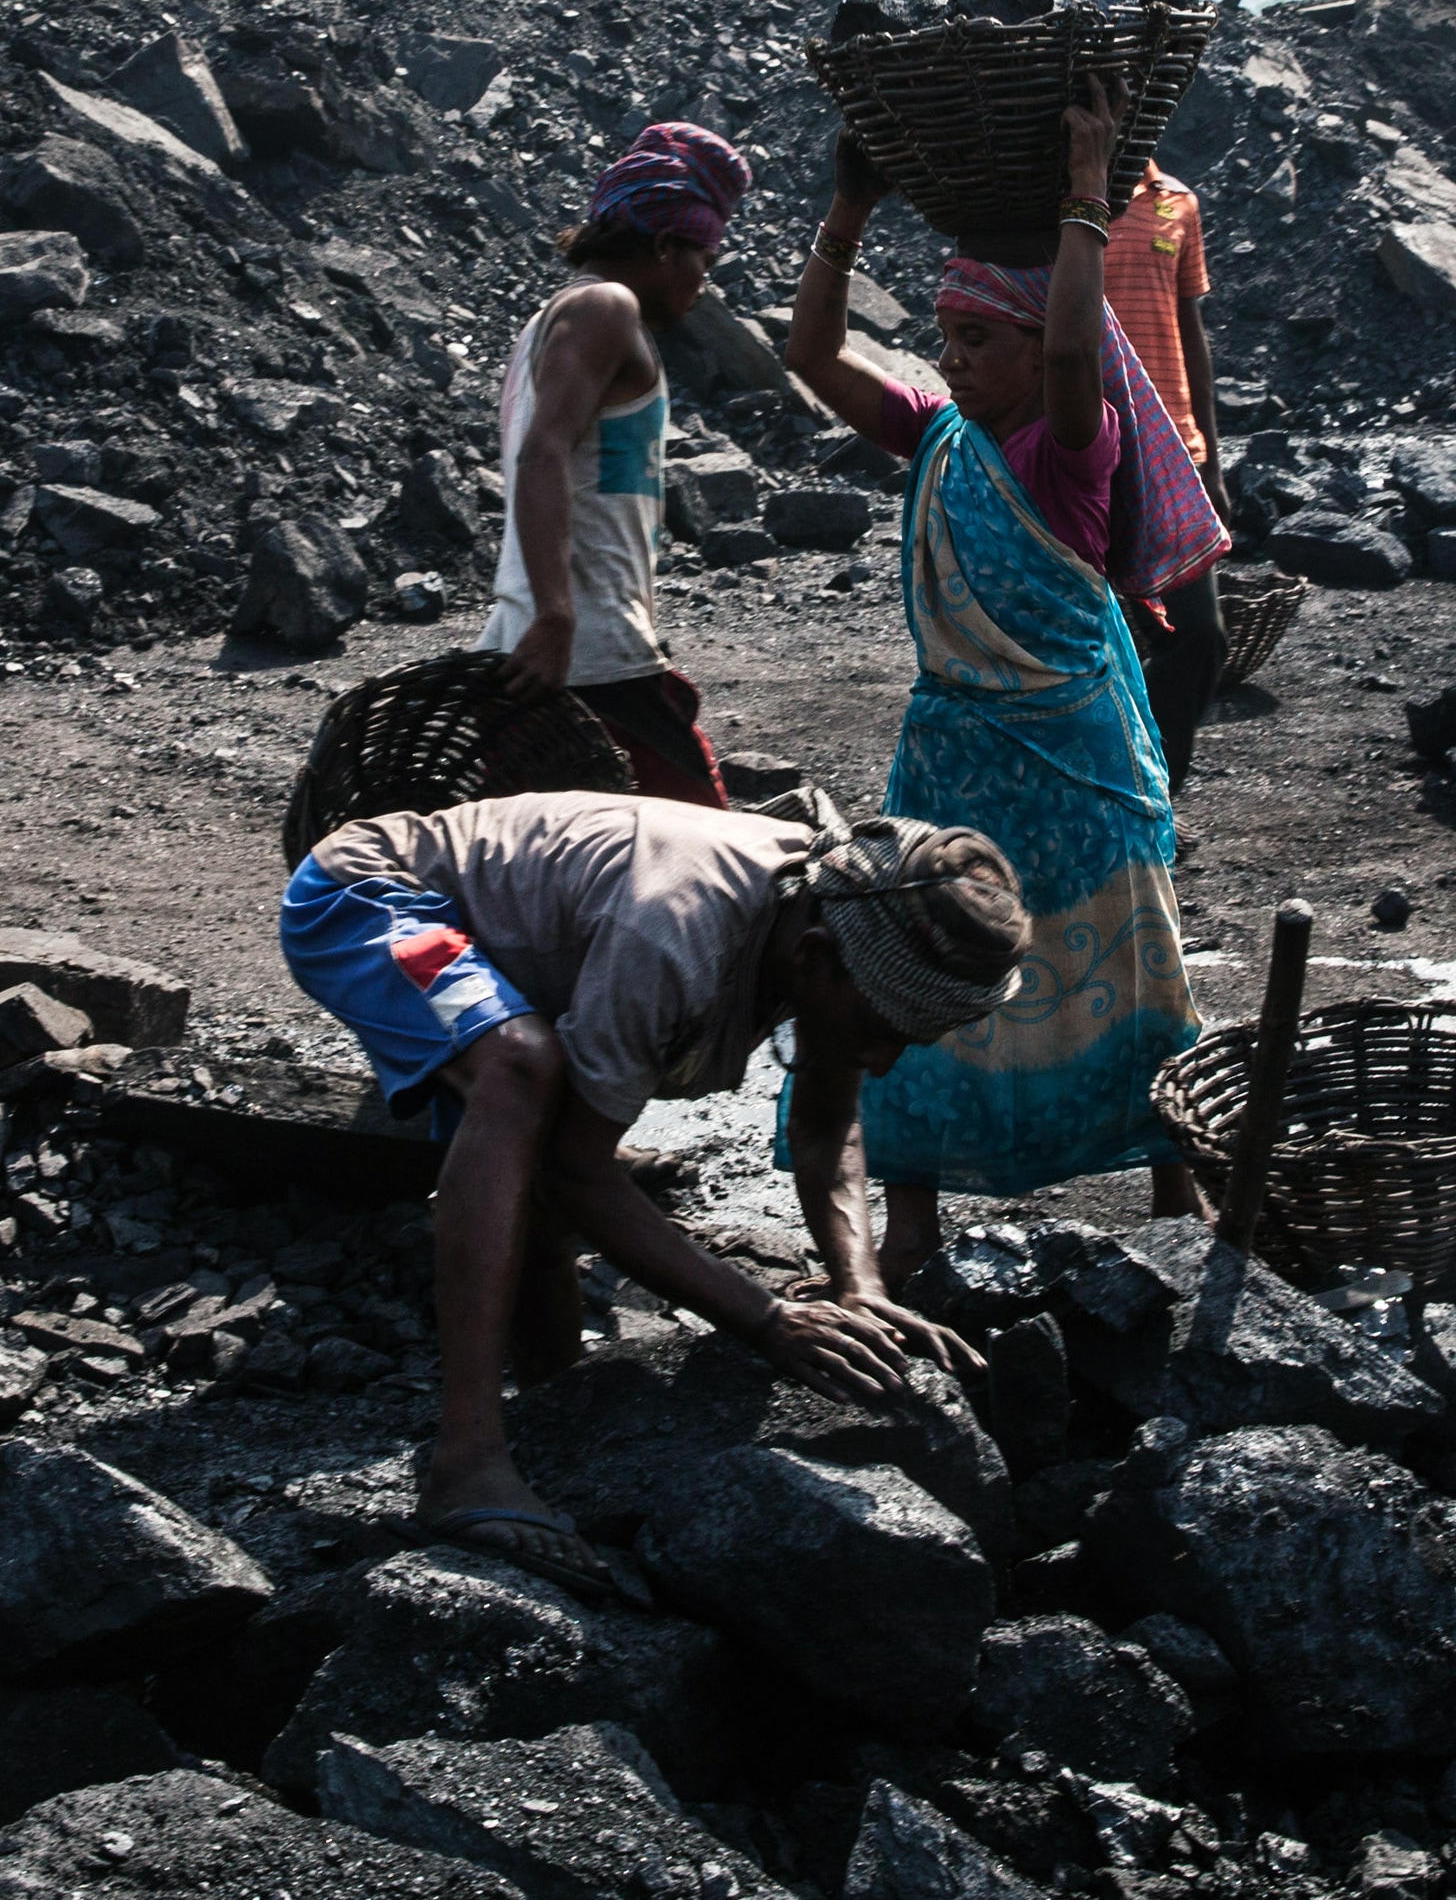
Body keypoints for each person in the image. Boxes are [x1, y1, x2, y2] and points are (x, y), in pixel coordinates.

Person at [281, 788, 1025, 1596]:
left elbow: (824, 1121)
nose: (881, 1059)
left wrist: (861, 1285)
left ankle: (555, 1423)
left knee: (535, 1167)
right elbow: (579, 1172)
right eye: (880, 1030)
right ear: (814, 959)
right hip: (373, 898)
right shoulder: (675, 930)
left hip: (505, 942)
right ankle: (465, 1461)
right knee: (521, 1067)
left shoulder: (828, 915)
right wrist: (765, 1319)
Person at [781, 84, 1217, 1285]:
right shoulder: (938, 435)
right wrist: (845, 215)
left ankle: (1172, 1181)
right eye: (946, 339)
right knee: (918, 959)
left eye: (979, 340)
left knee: (1128, 962)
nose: (954, 360)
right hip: (955, 753)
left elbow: (1080, 348)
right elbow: (809, 355)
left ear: (1035, 348)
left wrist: (1083, 192)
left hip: (1073, 753)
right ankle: (912, 1215)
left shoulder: (1068, 447)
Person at [478, 121, 750, 805]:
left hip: (567, 647)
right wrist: (557, 615)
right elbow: (543, 452)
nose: (704, 283)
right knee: (704, 842)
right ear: (664, 245)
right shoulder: (605, 305)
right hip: (593, 652)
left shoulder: (557, 320)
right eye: (705, 259)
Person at [1101, 158, 1232, 788]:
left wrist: (1213, 460)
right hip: (1082, 445)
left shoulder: (1177, 201)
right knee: (1086, 642)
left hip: (1172, 451)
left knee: (1200, 636)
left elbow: (1190, 330)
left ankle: (1154, 797)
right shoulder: (1050, 197)